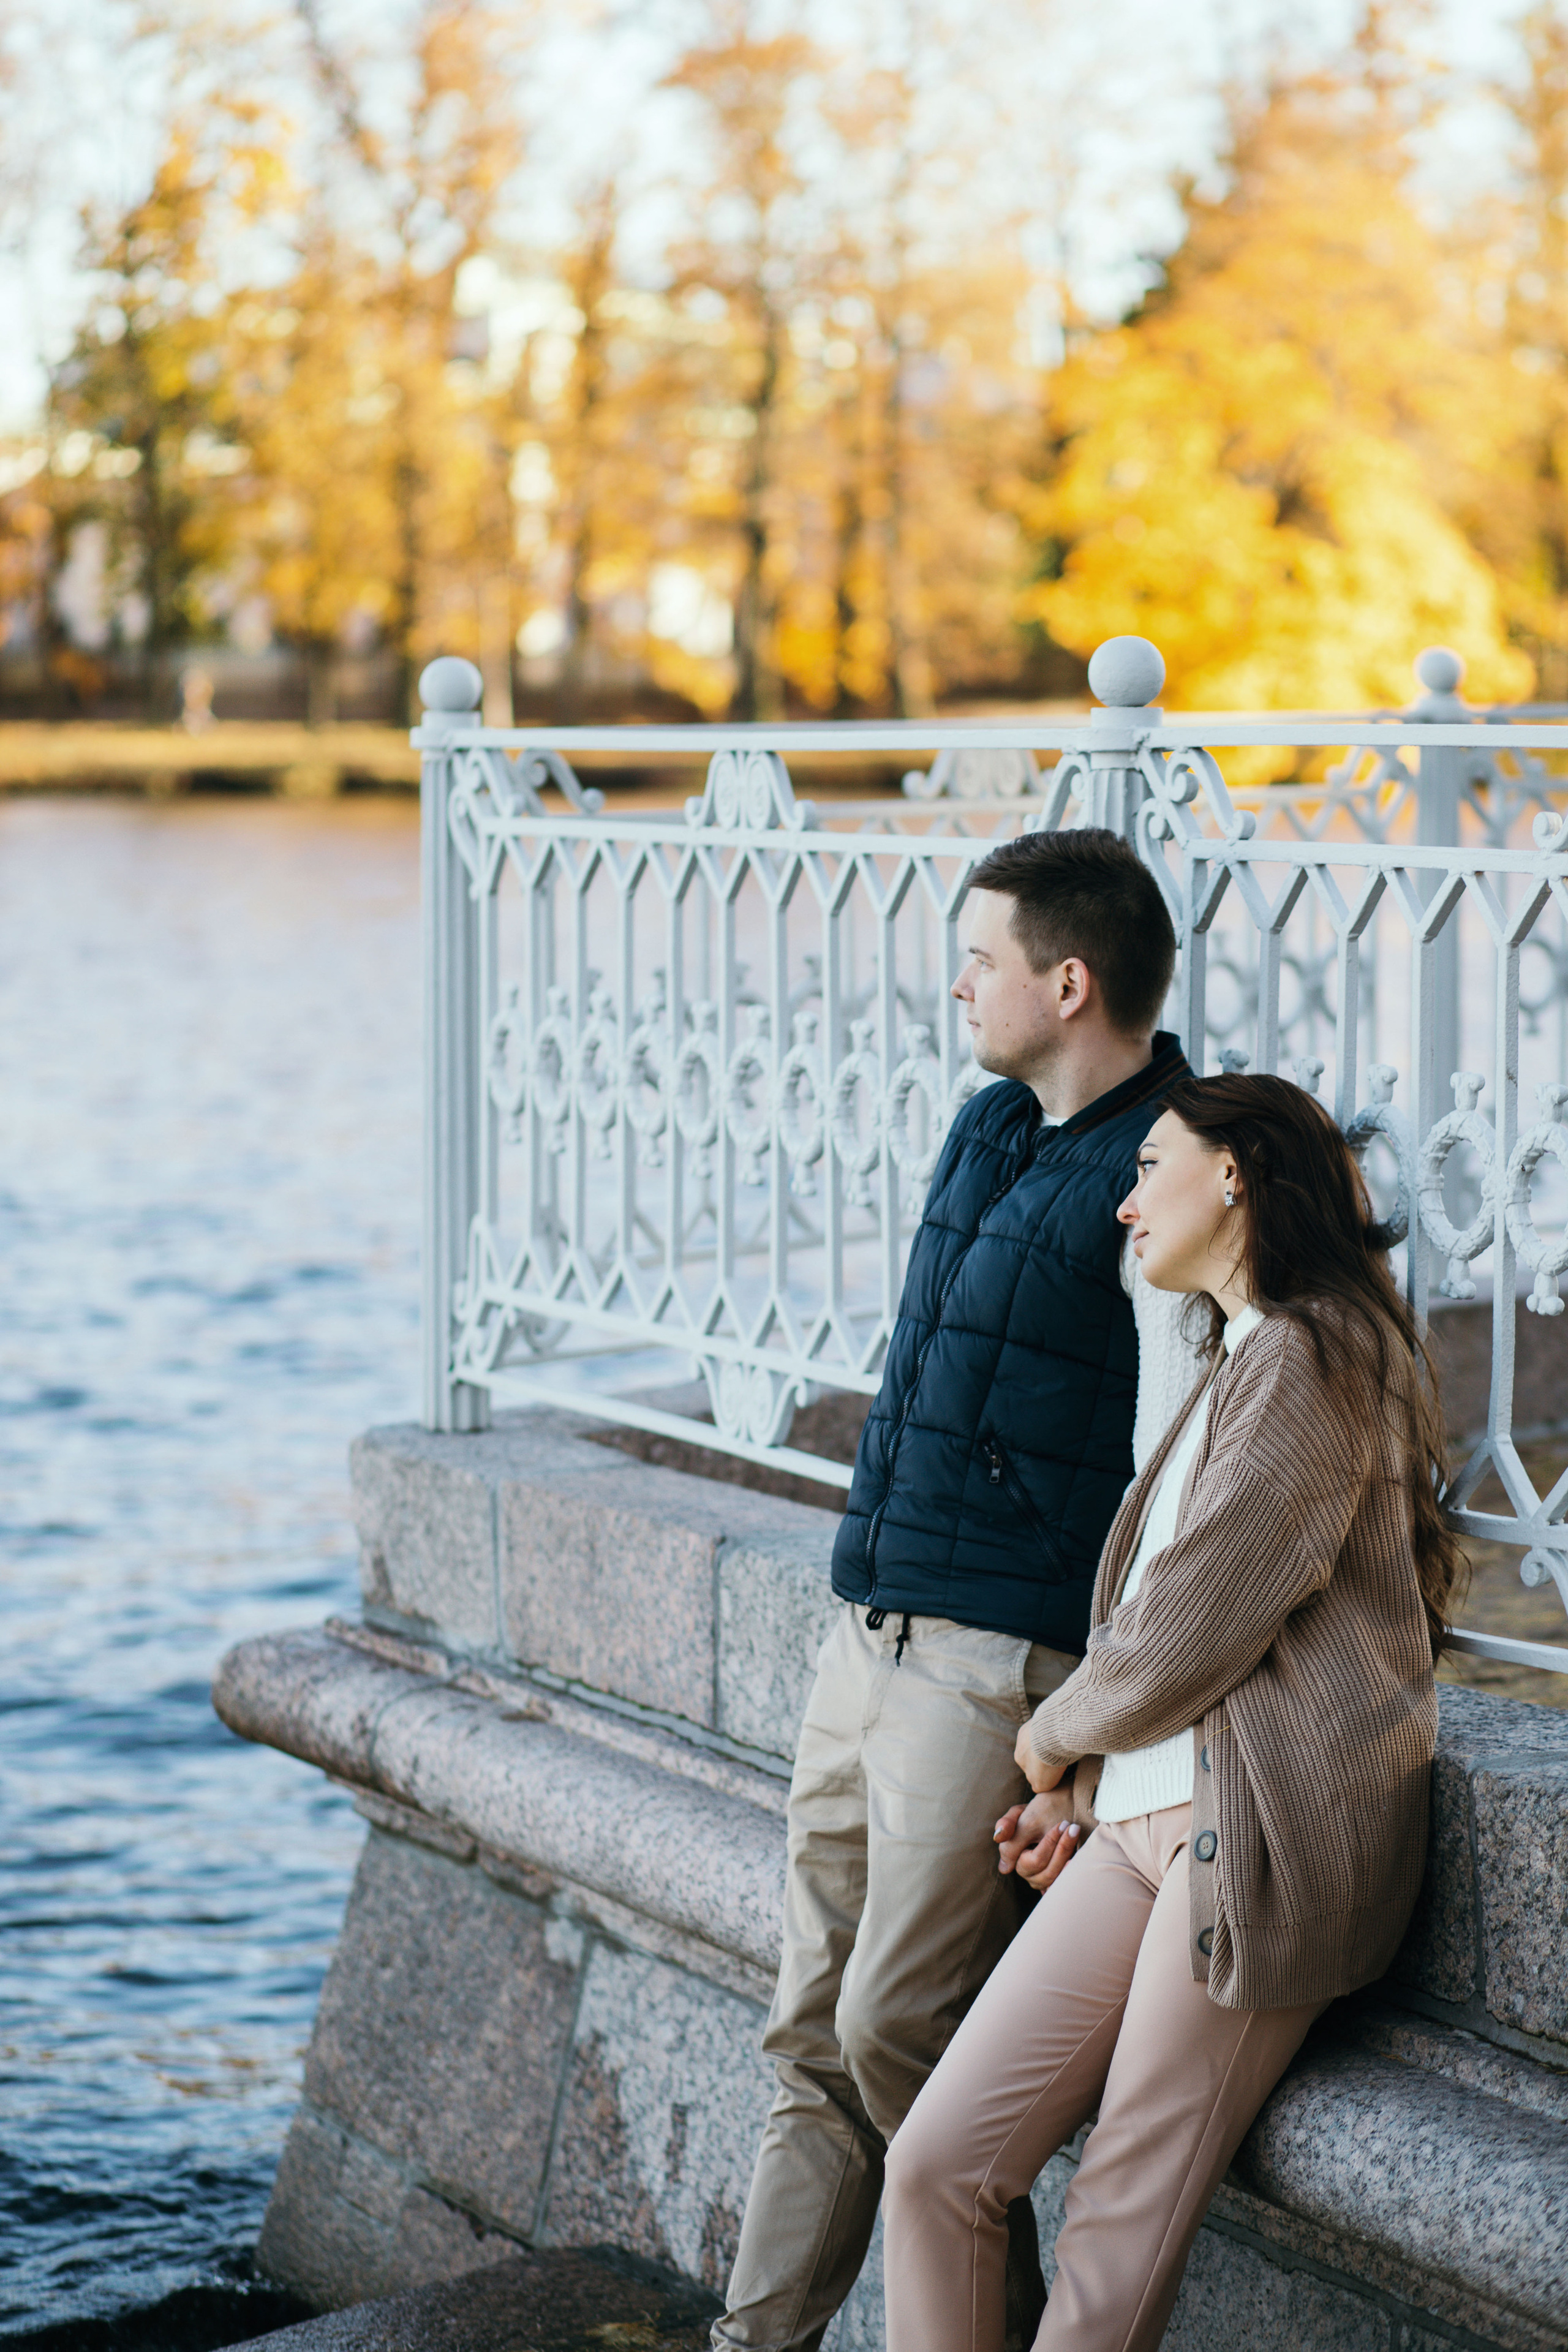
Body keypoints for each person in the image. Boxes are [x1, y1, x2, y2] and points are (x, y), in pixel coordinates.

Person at [880, 1072, 1463, 2352]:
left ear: (1235, 1173)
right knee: (934, 2166)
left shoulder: (1318, 1354)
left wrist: (1044, 1740)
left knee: (1111, 2222)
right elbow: (1179, 1627)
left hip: (1249, 1841)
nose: (1123, 1205)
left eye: (1149, 1168)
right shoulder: (1239, 1354)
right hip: (1146, 1823)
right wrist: (1087, 1796)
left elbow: (1200, 1615)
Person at [715, 829, 1200, 2352]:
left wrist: (1098, 1727)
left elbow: (1179, 1460)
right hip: (867, 1627)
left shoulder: (1167, 1171)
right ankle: (754, 2340)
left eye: (977, 959)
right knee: (805, 2028)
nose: (954, 985)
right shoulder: (989, 1124)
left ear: (1067, 981)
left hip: (992, 1663)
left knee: (895, 2029)